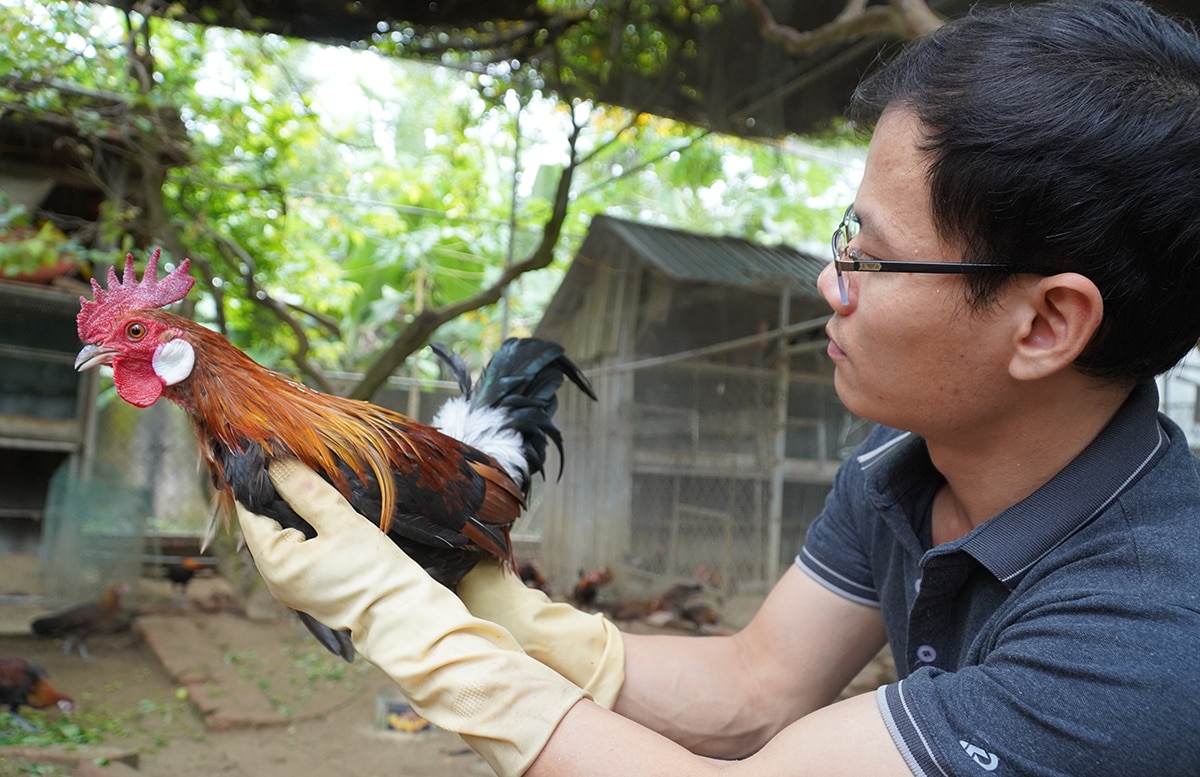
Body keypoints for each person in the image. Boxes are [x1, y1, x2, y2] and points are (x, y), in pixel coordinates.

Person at [235, 1, 1200, 774]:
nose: (831, 282)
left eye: (876, 260)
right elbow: (758, 682)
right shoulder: (905, 467)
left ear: (1045, 324)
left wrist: (408, 624)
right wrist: (510, 615)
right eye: (843, 242)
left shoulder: (1148, 640)